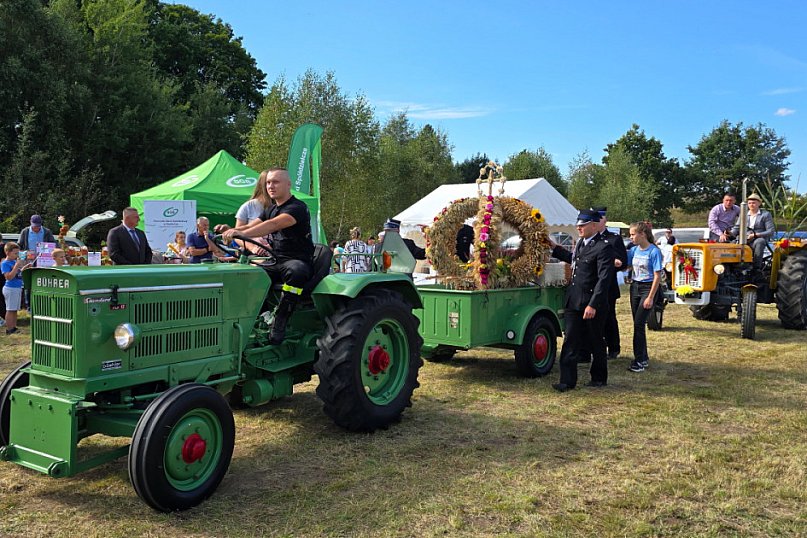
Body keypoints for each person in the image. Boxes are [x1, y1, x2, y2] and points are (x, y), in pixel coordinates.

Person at [220, 168, 313, 344]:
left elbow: (272, 225)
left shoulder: (297, 208)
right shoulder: (271, 208)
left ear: (288, 184)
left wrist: (241, 234)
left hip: (296, 259)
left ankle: (281, 319)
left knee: (297, 272)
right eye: (268, 182)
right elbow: (252, 225)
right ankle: (259, 317)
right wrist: (230, 231)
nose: (270, 186)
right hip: (275, 258)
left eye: (276, 182)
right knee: (248, 273)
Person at [549, 210, 615, 392]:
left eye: (583, 225)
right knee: (570, 340)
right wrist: (554, 248)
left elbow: (603, 279)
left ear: (593, 225)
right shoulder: (580, 243)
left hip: (592, 302)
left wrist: (593, 304)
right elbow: (574, 261)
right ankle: (567, 381)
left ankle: (599, 377)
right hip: (574, 299)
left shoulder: (603, 247)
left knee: (595, 340)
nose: (579, 228)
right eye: (578, 225)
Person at [625, 221, 664, 373]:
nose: (631, 237)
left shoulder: (654, 251)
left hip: (648, 288)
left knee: (639, 324)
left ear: (642, 234)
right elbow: (627, 265)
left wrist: (650, 297)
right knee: (637, 324)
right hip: (635, 287)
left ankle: (639, 361)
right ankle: (644, 357)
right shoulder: (634, 250)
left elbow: (657, 276)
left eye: (633, 234)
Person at [591, 206, 627, 360]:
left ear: (604, 220)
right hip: (592, 284)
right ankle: (595, 347)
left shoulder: (614, 239)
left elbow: (624, 262)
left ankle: (613, 347)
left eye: (597, 219)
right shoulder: (590, 239)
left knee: (609, 317)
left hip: (608, 285)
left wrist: (615, 262)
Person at [731, 193, 775, 269]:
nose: (751, 205)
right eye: (749, 203)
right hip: (745, 237)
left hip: (758, 238)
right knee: (731, 242)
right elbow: (737, 227)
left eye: (754, 203)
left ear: (759, 204)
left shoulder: (765, 214)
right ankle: (732, 266)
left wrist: (755, 235)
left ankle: (756, 268)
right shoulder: (744, 214)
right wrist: (729, 233)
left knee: (760, 242)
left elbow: (770, 231)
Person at [234, 170, 273, 255]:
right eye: (268, 182)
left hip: (277, 253)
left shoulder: (284, 207)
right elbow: (237, 237)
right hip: (254, 255)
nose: (272, 186)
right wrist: (252, 247)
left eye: (275, 182)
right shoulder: (248, 206)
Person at [2, 242, 32, 335]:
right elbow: (9, 277)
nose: (17, 255)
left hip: (17, 288)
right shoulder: (5, 263)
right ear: (7, 252)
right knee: (10, 309)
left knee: (14, 310)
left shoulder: (14, 262)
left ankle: (14, 327)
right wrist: (16, 266)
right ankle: (9, 329)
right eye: (15, 253)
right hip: (10, 288)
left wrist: (25, 267)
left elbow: (18, 273)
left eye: (17, 253)